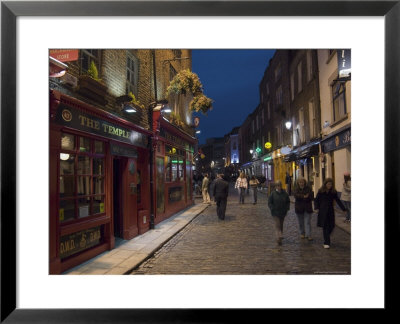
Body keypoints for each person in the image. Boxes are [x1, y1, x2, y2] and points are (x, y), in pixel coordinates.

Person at [314, 178, 347, 249]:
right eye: (328, 184)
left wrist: (343, 208)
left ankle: (326, 237)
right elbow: (316, 200)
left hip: (330, 211)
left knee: (332, 226)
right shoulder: (321, 191)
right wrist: (316, 208)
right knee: (325, 226)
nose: (329, 185)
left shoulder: (333, 192)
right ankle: (326, 242)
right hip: (323, 211)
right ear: (325, 184)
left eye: (331, 184)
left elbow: (337, 200)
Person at [268, 180, 290, 245]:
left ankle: (279, 239)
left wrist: (287, 208)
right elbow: (269, 202)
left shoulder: (285, 193)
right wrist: (272, 208)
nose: (278, 187)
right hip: (275, 212)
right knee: (277, 224)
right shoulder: (273, 194)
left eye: (279, 185)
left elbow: (287, 201)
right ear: (275, 187)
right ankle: (279, 236)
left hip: (283, 212)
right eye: (277, 186)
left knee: (281, 224)